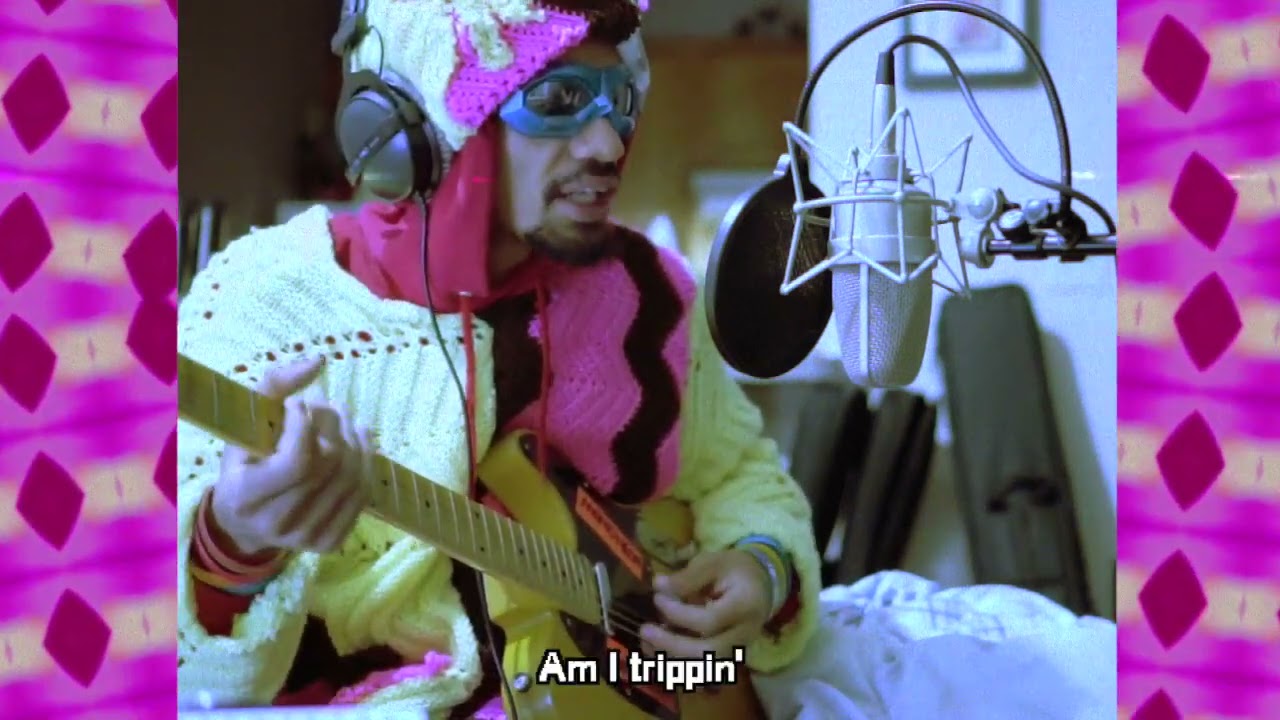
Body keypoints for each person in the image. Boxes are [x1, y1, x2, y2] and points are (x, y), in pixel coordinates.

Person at [176, 0, 821, 715]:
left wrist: (764, 568)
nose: (609, 145)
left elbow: (739, 474)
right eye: (560, 101)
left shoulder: (651, 294)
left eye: (621, 101)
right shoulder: (262, 301)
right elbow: (170, 654)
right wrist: (234, 542)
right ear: (420, 131)